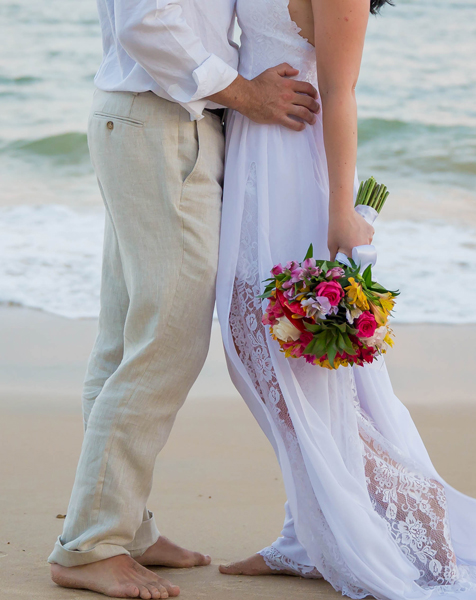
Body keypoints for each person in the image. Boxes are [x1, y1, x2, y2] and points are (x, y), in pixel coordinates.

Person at [215, 0, 476, 598]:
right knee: (257, 352)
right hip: (251, 159)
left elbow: (339, 92)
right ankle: (307, 533)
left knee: (287, 364)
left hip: (290, 171)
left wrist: (340, 212)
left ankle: (423, 514)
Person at [48, 1, 320, 598]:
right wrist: (246, 94)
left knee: (127, 342)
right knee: (166, 341)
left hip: (153, 123)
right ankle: (93, 542)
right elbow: (146, 21)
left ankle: (122, 526)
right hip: (160, 126)